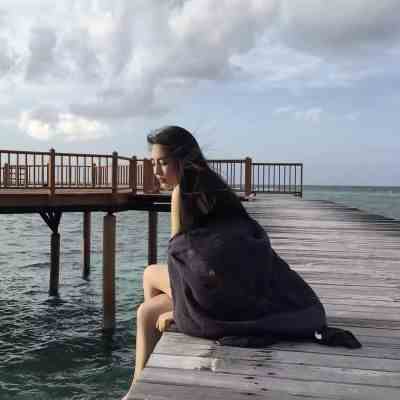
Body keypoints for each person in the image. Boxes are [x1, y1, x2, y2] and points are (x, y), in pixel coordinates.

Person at [122, 126, 358, 399]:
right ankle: (138, 384)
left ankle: (136, 386)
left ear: (183, 160)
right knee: (148, 310)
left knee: (149, 279)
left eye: (163, 163)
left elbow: (178, 257)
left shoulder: (180, 193)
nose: (156, 171)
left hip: (213, 293)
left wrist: (182, 309)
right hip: (235, 286)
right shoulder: (216, 186)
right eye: (153, 164)